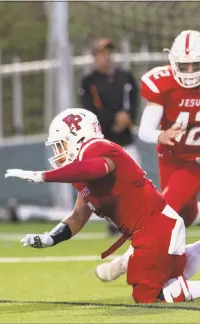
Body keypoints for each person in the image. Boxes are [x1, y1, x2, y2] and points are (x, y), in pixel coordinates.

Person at [4, 108, 200, 304]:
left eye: (61, 145)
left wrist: (43, 176)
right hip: (157, 226)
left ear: (77, 137)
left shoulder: (97, 148)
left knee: (147, 296)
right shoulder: (81, 172)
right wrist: (49, 239)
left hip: (153, 228)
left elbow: (98, 168)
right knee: (175, 274)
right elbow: (76, 217)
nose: (58, 153)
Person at [94, 30, 200, 283]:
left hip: (198, 158)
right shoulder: (163, 83)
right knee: (187, 214)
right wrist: (161, 135)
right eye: (184, 65)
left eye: (195, 64)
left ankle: (124, 262)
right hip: (168, 157)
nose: (190, 71)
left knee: (162, 210)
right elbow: (145, 129)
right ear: (172, 62)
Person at [79, 38, 140, 235]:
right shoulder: (89, 82)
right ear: (95, 56)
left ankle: (135, 218)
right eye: (101, 53)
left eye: (108, 53)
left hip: (125, 138)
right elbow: (90, 110)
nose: (105, 57)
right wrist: (114, 118)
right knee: (106, 184)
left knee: (135, 178)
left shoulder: (125, 77)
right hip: (103, 140)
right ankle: (114, 221)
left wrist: (128, 118)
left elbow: (134, 102)